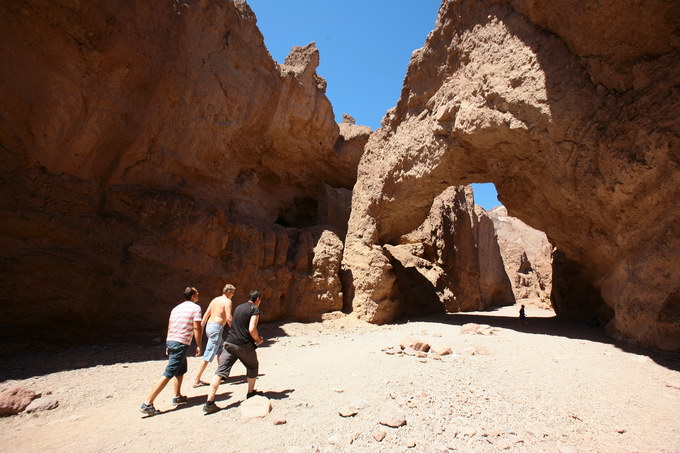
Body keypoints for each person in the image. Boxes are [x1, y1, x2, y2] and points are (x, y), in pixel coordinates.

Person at [140, 287, 202, 416]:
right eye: (197, 293)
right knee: (169, 372)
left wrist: (168, 343)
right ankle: (147, 403)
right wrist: (199, 345)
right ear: (193, 296)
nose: (198, 294)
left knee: (180, 369)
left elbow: (170, 325)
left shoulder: (176, 308)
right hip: (181, 343)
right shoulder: (195, 308)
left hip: (173, 341)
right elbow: (197, 327)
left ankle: (177, 395)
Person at [203, 290, 264, 414]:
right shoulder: (254, 310)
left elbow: (233, 322)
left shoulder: (239, 307)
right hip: (243, 344)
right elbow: (252, 328)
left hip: (229, 342)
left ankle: (209, 402)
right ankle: (251, 393)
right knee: (253, 366)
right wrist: (258, 339)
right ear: (257, 299)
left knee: (220, 371)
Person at [193, 284, 235, 387]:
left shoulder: (215, 300)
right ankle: (196, 379)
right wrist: (235, 329)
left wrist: (200, 330)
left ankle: (221, 373)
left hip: (209, 327)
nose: (233, 295)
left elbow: (206, 315)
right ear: (229, 292)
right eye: (233, 292)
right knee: (209, 354)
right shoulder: (227, 301)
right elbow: (229, 317)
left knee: (221, 349)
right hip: (217, 328)